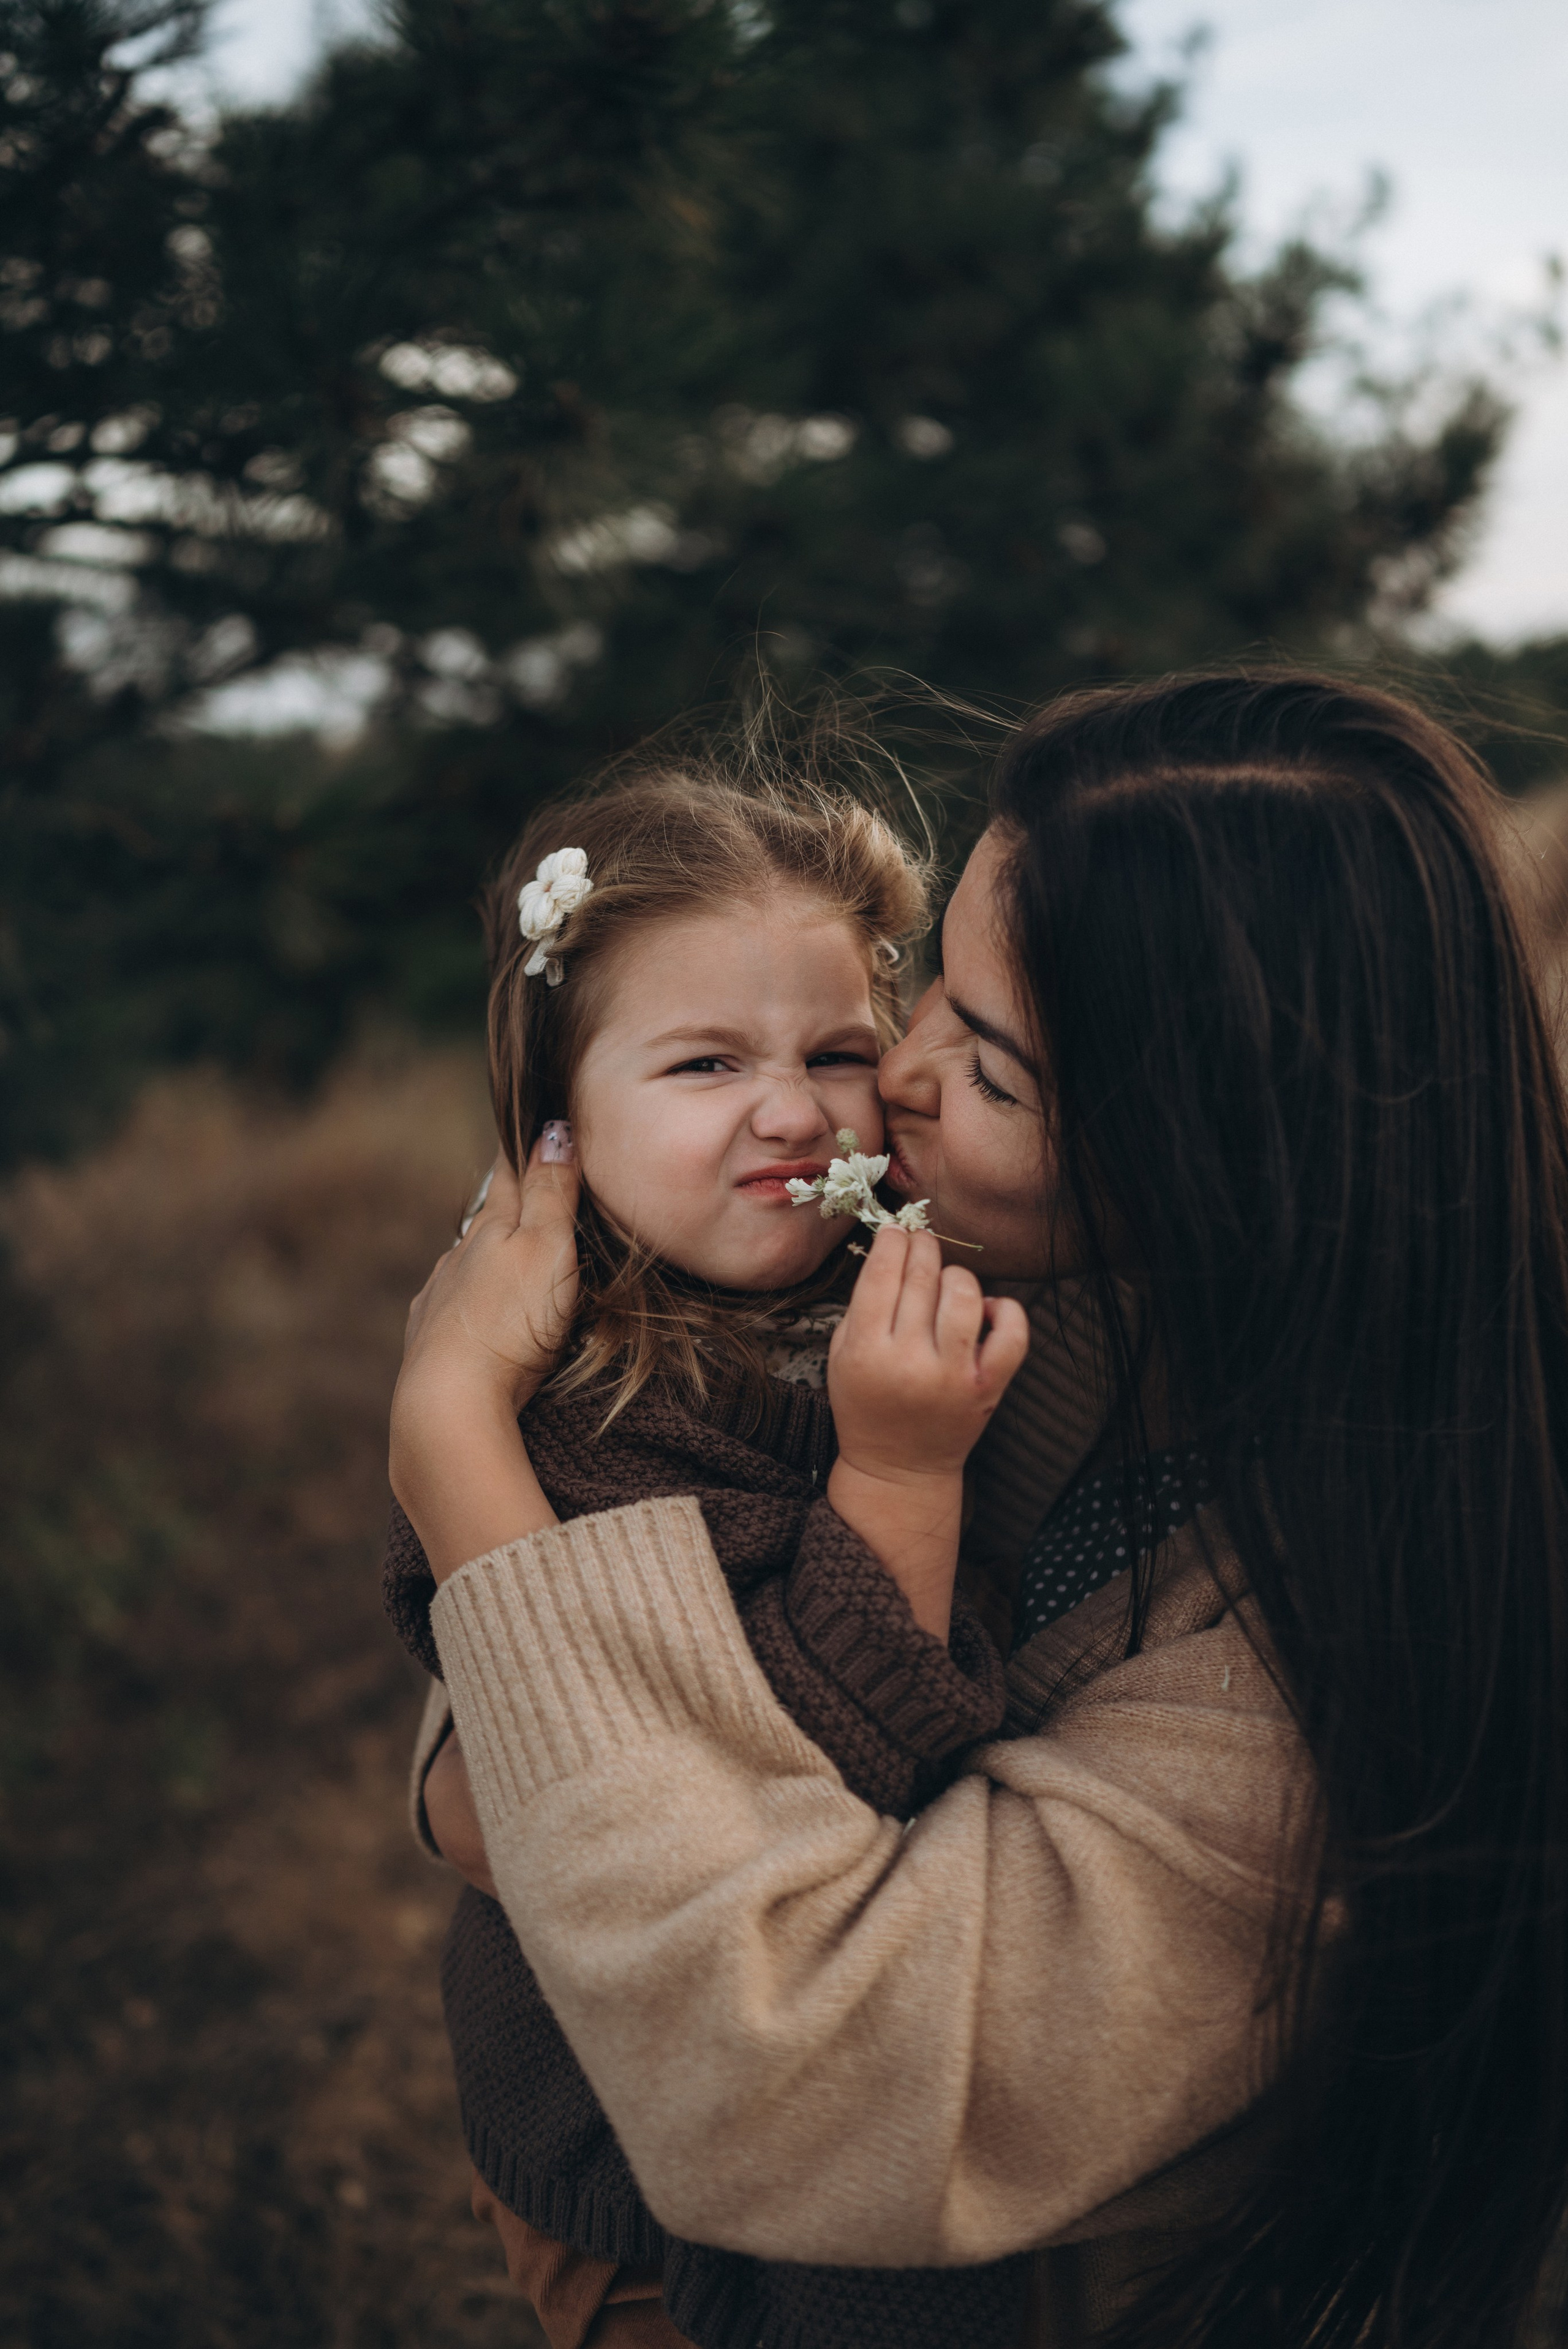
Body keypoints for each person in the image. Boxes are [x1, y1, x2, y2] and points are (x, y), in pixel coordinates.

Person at [393, 671, 1568, 2349]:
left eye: (996, 1068)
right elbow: (569, 1618)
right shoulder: (1004, 1289)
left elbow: (791, 2089)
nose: (900, 1077)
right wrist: (486, 1737)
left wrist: (455, 1456)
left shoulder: (1338, 1666)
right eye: (928, 983)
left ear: (1215, 1160)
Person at [385, 763, 1041, 2349]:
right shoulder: (585, 1398)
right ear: (557, 1119)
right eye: (701, 1061)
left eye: (835, 1049)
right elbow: (784, 1769)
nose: (795, 1110)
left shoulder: (873, 1276)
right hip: (634, 2151)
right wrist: (897, 1465)